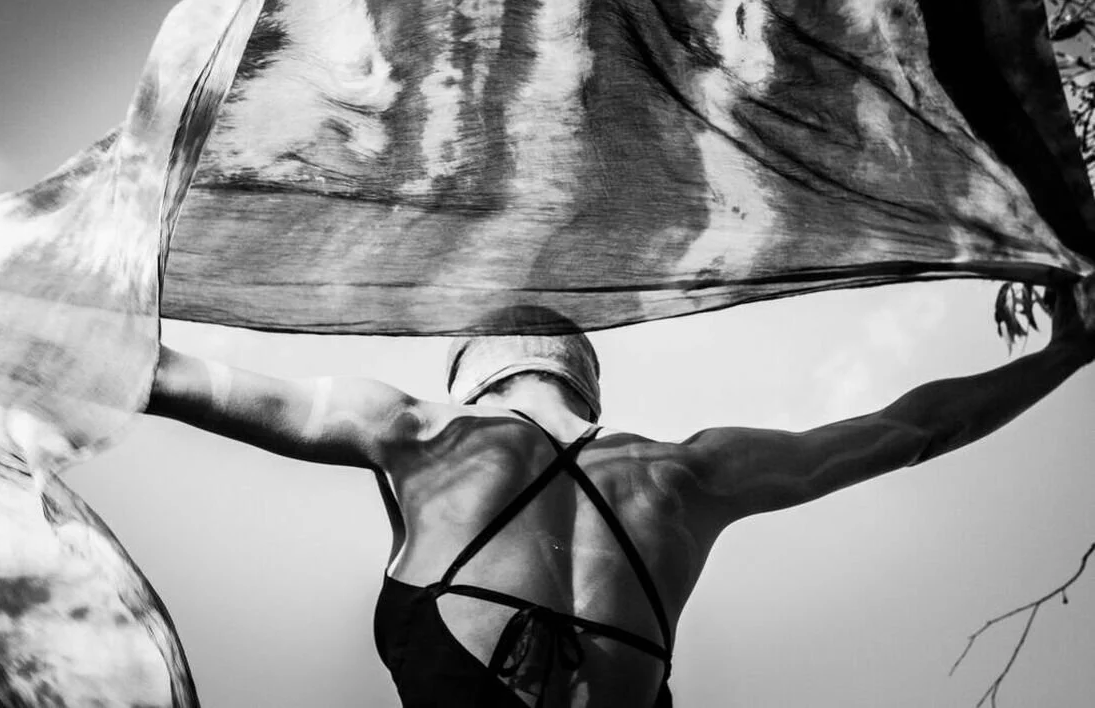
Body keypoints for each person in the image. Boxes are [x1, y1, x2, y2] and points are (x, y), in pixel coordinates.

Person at [145, 282, 1095, 708]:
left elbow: (172, 377)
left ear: (476, 377)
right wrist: (1070, 349)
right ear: (590, 386)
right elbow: (914, 429)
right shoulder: (693, 474)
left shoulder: (420, 432)